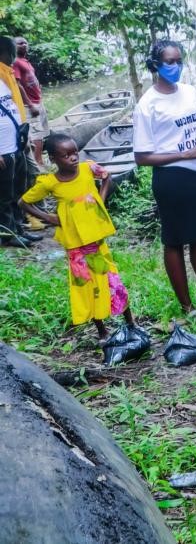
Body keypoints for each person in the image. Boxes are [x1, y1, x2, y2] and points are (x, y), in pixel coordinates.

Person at [131, 40, 196, 312]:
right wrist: (183, 156)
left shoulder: (191, 93)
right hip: (171, 178)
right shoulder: (148, 105)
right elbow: (142, 157)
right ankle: (187, 306)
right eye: (169, 62)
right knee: (174, 240)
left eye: (179, 60)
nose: (175, 66)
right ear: (156, 66)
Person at [21, 134, 136, 343]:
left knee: (112, 279)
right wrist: (50, 218)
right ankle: (102, 330)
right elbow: (24, 202)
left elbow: (106, 176)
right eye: (66, 155)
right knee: (85, 286)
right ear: (53, 159)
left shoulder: (87, 169)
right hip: (76, 247)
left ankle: (130, 322)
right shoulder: (50, 183)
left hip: (96, 241)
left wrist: (99, 200)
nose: (73, 158)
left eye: (75, 152)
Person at [0, 37, 33, 246]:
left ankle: (19, 227)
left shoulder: (6, 78)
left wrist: (24, 137)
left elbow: (14, 107)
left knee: (18, 190)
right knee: (4, 196)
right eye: (11, 53)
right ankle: (8, 235)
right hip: (2, 149)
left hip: (15, 144)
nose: (14, 58)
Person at [13, 37, 47, 172]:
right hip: (30, 105)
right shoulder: (15, 62)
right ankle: (38, 164)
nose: (24, 45)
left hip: (38, 101)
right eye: (20, 43)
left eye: (25, 43)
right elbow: (17, 84)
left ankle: (40, 161)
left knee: (42, 133)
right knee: (36, 135)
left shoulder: (25, 61)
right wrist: (30, 105)